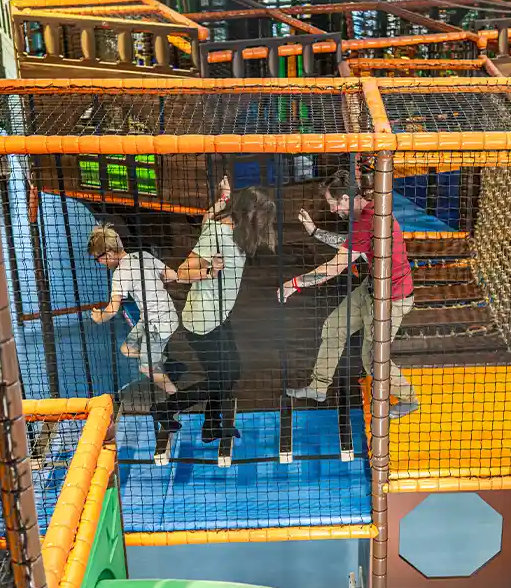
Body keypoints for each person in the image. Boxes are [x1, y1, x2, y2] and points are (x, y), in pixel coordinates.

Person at [278, 168, 419, 418]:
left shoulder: (370, 220)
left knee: (373, 359)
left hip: (391, 300)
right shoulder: (365, 215)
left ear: (345, 198)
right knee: (333, 328)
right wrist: (315, 232)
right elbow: (349, 242)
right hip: (371, 288)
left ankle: (409, 399)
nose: (333, 210)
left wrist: (293, 284)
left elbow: (335, 267)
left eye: (333, 203)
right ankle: (318, 387)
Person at [150, 176, 277, 442]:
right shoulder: (218, 234)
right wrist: (210, 271)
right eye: (262, 218)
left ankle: (211, 425)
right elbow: (181, 273)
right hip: (203, 319)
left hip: (218, 315)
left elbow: (208, 217)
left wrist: (224, 196)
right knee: (221, 377)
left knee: (230, 371)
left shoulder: (227, 228)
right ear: (249, 214)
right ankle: (165, 409)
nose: (264, 224)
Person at [88, 224, 179, 396]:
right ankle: (165, 361)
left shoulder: (120, 274)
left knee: (146, 367)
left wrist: (100, 317)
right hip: (162, 317)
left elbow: (112, 309)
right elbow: (171, 275)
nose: (99, 263)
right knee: (127, 349)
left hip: (157, 325)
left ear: (109, 254)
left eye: (98, 258)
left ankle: (176, 396)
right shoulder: (144, 256)